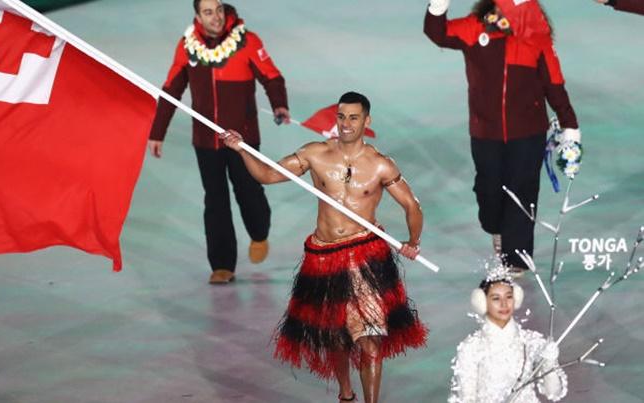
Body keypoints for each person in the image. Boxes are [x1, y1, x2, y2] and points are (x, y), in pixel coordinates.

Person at [221, 92, 428, 403]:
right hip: (323, 257)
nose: (346, 124)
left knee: (370, 337)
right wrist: (241, 150)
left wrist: (413, 243)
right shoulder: (316, 154)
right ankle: (346, 394)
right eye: (341, 117)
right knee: (335, 336)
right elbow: (267, 174)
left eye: (354, 118)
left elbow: (412, 205)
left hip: (366, 257)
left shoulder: (381, 165)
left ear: (366, 121)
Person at [424, 0, 581, 274]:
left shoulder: (536, 35)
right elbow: (438, 33)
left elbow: (554, 83)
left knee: (523, 190)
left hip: (529, 131)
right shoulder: (475, 28)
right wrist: (437, 6)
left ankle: (517, 258)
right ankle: (496, 228)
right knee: (488, 189)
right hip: (486, 131)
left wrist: (569, 124)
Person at [148, 0, 291, 284]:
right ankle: (222, 265)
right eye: (208, 12)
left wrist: (279, 105)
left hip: (243, 139)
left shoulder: (247, 41)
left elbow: (272, 76)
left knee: (249, 192)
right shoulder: (187, 46)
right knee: (215, 201)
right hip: (205, 140)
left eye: (219, 10)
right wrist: (157, 132)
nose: (215, 17)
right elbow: (171, 88)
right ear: (198, 16)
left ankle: (259, 233)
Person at [448, 266, 567, 402]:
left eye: (509, 297)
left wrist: (549, 363)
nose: (504, 304)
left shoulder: (531, 341)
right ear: (482, 302)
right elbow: (466, 399)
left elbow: (553, 393)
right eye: (496, 298)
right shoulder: (471, 347)